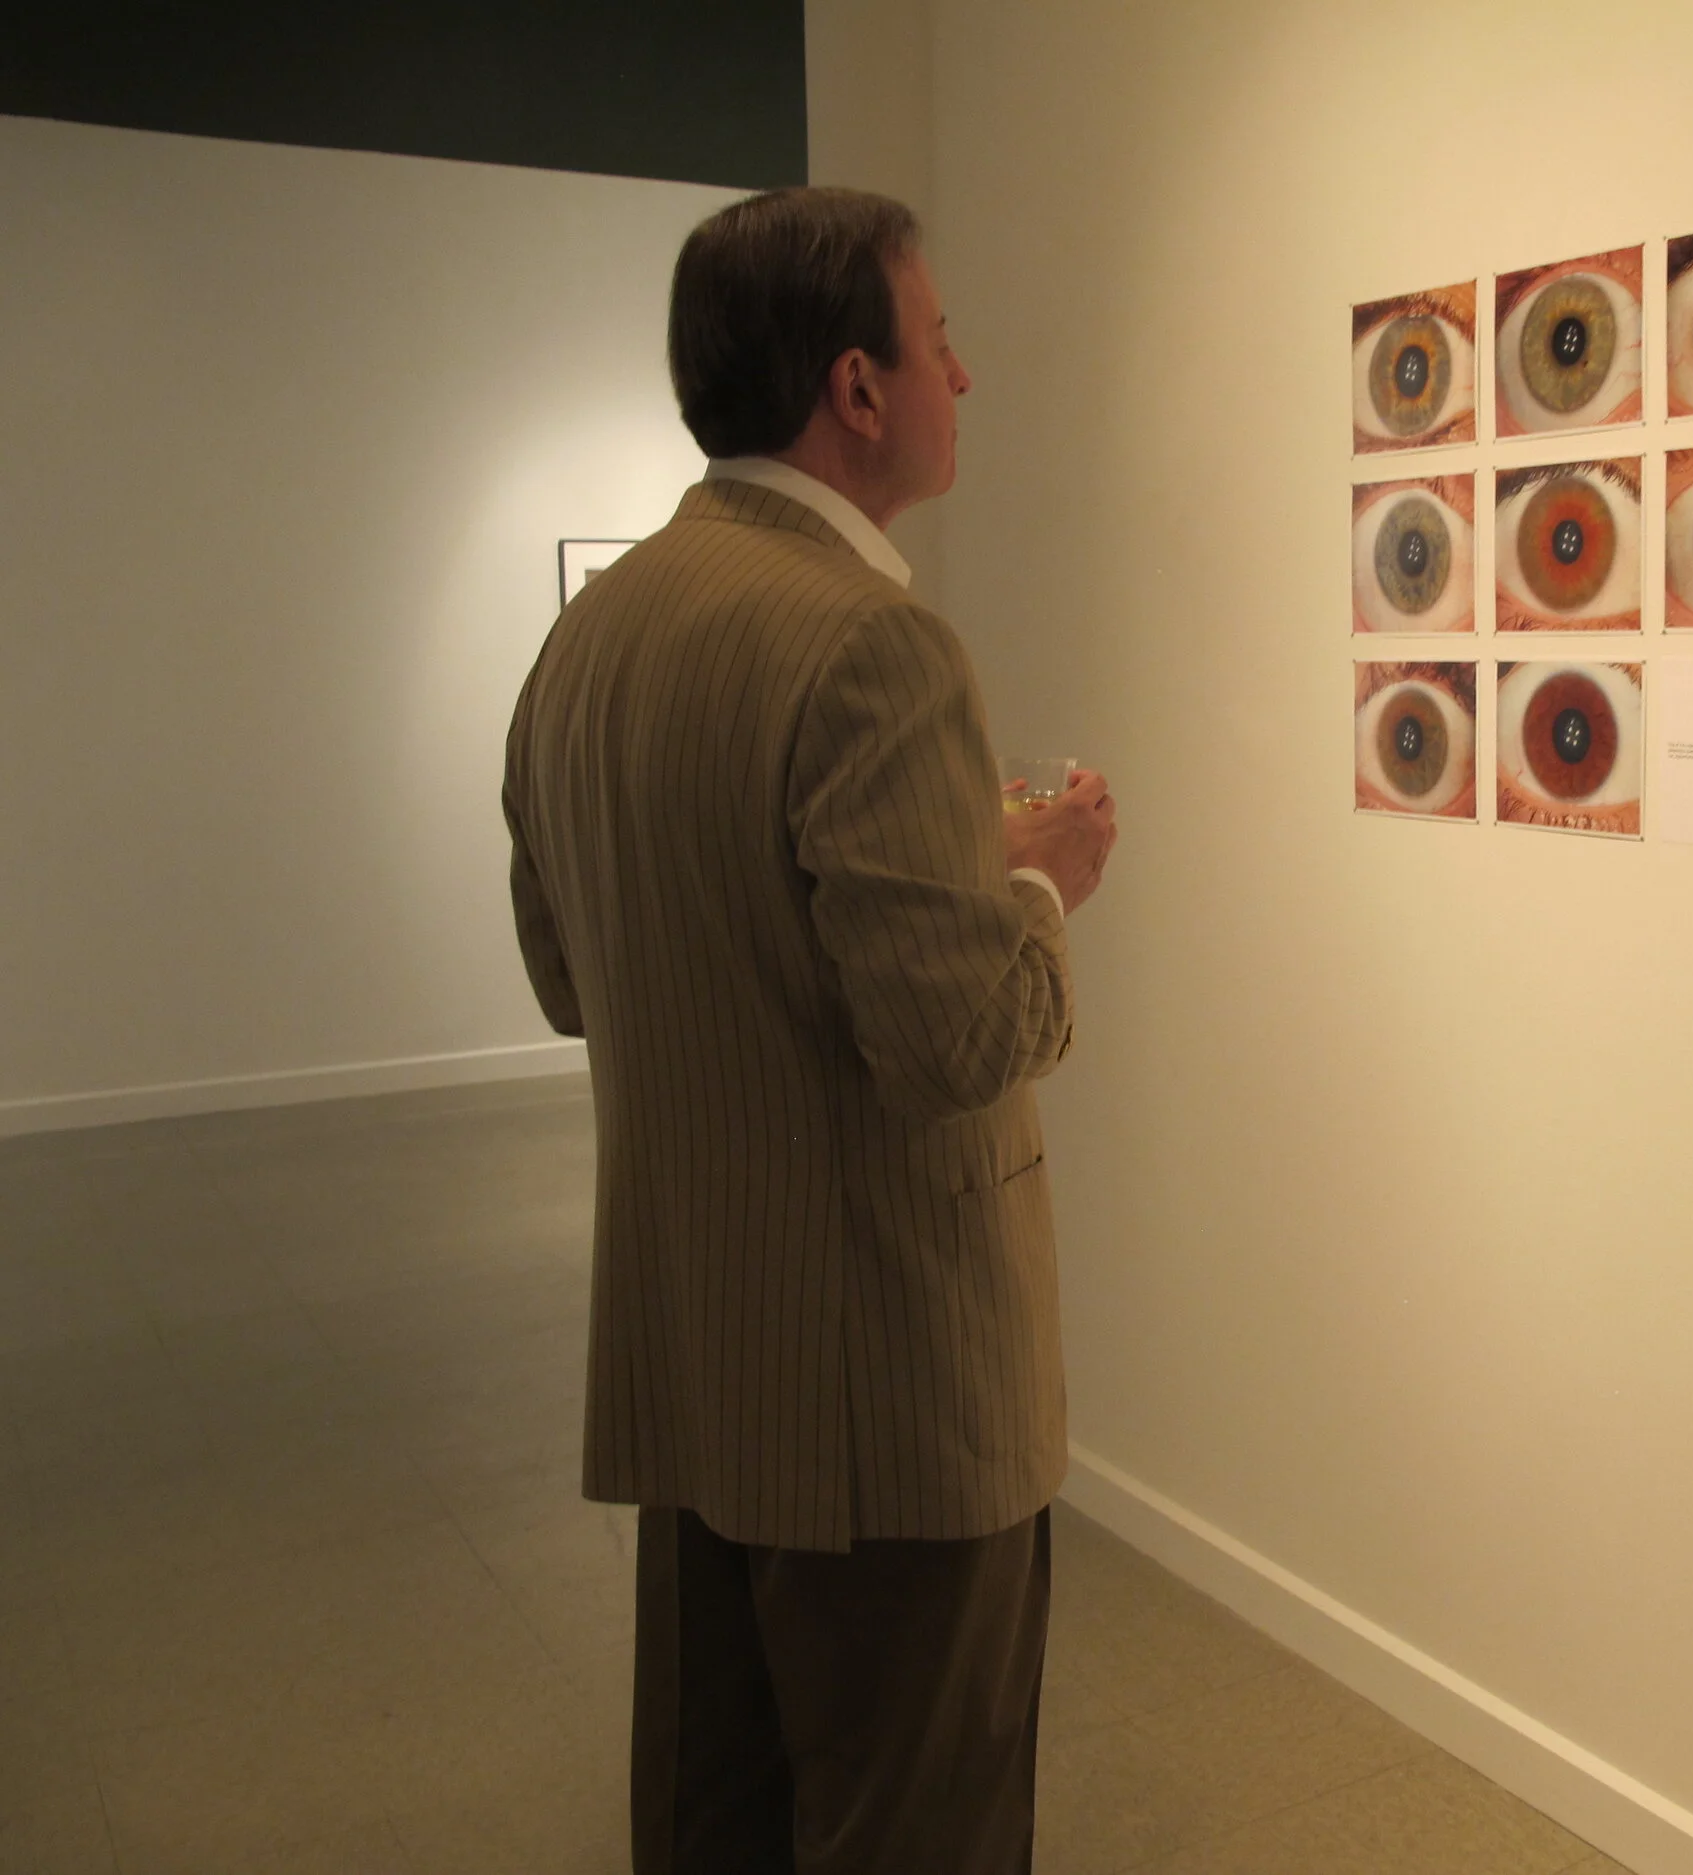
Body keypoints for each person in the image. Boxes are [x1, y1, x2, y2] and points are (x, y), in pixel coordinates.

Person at [501, 185, 1117, 1875]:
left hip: (698, 1360)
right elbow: (958, 1039)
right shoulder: (875, 644)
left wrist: (951, 865)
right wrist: (1040, 883)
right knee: (916, 1823)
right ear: (856, 387)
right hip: (891, 1401)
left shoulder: (590, 639)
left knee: (717, 1819)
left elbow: (577, 976)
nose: (962, 377)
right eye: (940, 340)